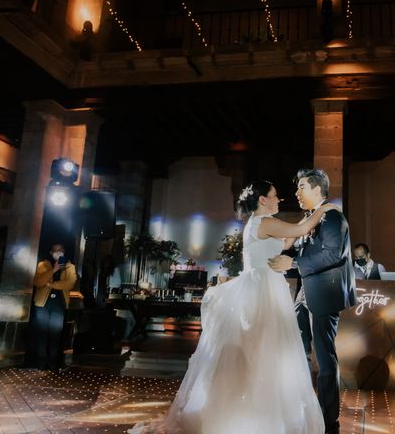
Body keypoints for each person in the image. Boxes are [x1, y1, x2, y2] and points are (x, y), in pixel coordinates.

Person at [133, 180, 337, 433]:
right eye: (275, 196)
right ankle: (258, 413)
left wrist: (297, 238)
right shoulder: (265, 222)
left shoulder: (257, 224)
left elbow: (284, 244)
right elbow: (303, 226)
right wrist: (326, 209)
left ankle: (254, 409)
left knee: (261, 349)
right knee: (265, 349)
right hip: (264, 290)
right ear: (263, 200)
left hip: (262, 286)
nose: (279, 199)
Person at [269, 169, 357, 434]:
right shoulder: (310, 217)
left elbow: (333, 255)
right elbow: (297, 245)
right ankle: (302, 406)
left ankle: (328, 416)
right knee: (297, 350)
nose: (297, 192)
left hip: (325, 295)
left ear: (318, 190)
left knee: (325, 356)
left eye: (302, 187)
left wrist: (294, 262)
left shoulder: (333, 217)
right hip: (305, 294)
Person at [27, 243, 77, 370]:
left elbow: (69, 284)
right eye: (55, 250)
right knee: (42, 334)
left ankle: (53, 365)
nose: (58, 252)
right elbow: (38, 282)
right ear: (50, 252)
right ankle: (41, 364)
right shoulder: (43, 265)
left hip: (58, 305)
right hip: (42, 305)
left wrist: (51, 285)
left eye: (60, 250)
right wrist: (53, 270)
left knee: (55, 335)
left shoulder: (70, 267)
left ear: (64, 251)